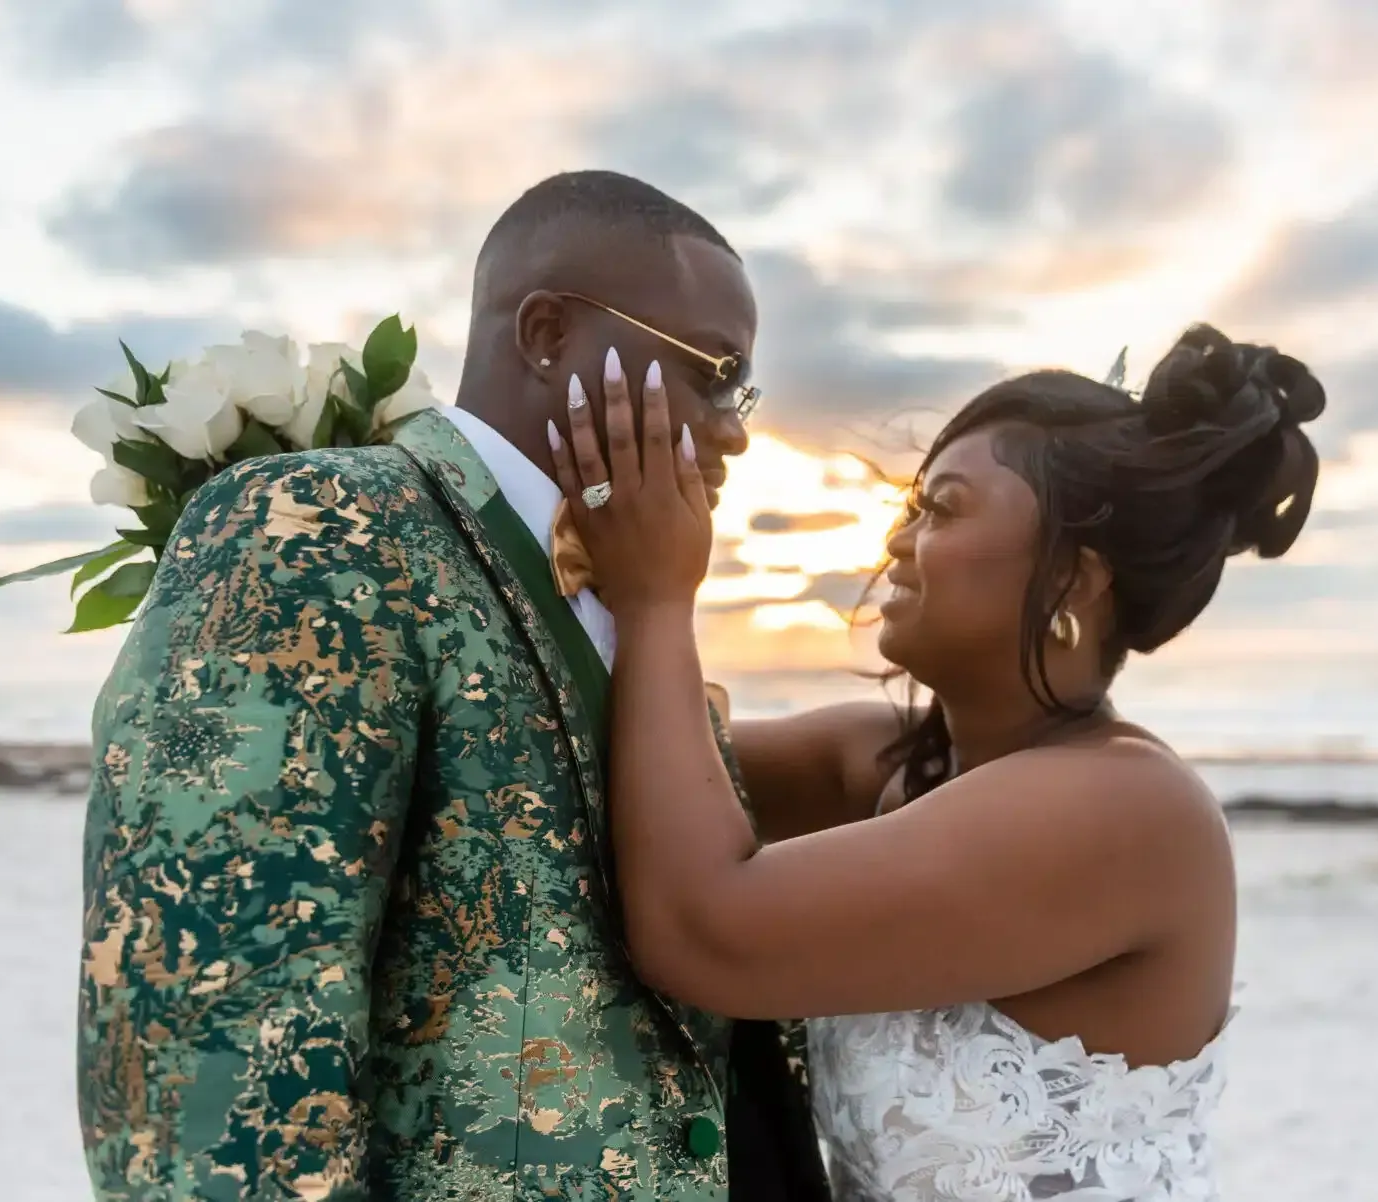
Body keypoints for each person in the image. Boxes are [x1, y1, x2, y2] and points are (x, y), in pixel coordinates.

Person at [76, 171, 829, 1201]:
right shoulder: (311, 527)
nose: (734, 426)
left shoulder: (645, 605)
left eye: (742, 391)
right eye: (712, 371)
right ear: (548, 331)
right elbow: (209, 1031)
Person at [549, 325, 1327, 1201]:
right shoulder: (895, 766)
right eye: (911, 505)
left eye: (943, 509)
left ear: (1074, 579)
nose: (897, 543)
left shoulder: (1133, 810)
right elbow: (588, 756)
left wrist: (656, 596)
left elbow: (701, 931)